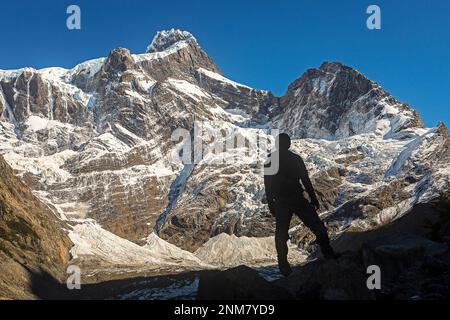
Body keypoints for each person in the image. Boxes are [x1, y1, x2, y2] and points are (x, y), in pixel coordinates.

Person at [264, 133, 336, 276]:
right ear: (289, 144)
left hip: (281, 201)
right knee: (317, 225)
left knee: (281, 233)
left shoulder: (270, 160)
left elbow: (268, 184)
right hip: (297, 198)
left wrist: (271, 204)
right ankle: (328, 254)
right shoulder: (295, 159)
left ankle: (283, 265)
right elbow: (305, 180)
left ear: (277, 144)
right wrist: (313, 198)